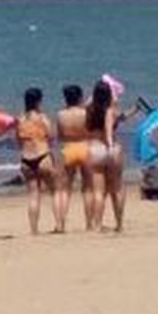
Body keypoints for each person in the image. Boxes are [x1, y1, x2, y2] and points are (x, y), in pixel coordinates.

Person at [14, 87, 63, 235]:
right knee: (55, 192)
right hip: (42, 156)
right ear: (38, 101)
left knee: (33, 195)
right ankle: (59, 225)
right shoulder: (43, 118)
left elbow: (17, 141)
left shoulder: (20, 120)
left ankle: (34, 229)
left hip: (26, 159)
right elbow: (52, 137)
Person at [85, 78, 125, 233]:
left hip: (94, 149)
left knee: (98, 191)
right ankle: (119, 223)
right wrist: (110, 145)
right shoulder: (110, 109)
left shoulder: (90, 108)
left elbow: (89, 102)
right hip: (110, 148)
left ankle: (97, 224)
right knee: (117, 189)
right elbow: (109, 130)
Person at [55, 84, 92, 231]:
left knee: (63, 189)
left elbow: (59, 136)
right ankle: (89, 223)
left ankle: (60, 224)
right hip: (84, 147)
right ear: (80, 97)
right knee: (88, 188)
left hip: (68, 148)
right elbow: (91, 132)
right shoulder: (86, 113)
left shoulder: (60, 114)